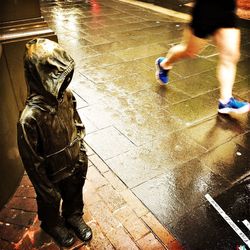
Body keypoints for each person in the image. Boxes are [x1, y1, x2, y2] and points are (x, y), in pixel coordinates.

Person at [17, 38, 92, 247]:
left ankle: (73, 215)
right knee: (50, 200)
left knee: (74, 191)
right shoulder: (29, 119)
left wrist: (81, 152)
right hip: (51, 171)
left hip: (74, 161)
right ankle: (51, 223)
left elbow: (77, 123)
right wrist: (45, 187)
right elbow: (33, 162)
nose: (63, 82)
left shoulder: (67, 96)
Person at [155, 0, 250, 114]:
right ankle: (164, 64)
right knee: (189, 51)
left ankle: (226, 101)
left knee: (230, 56)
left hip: (227, 10)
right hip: (206, 9)